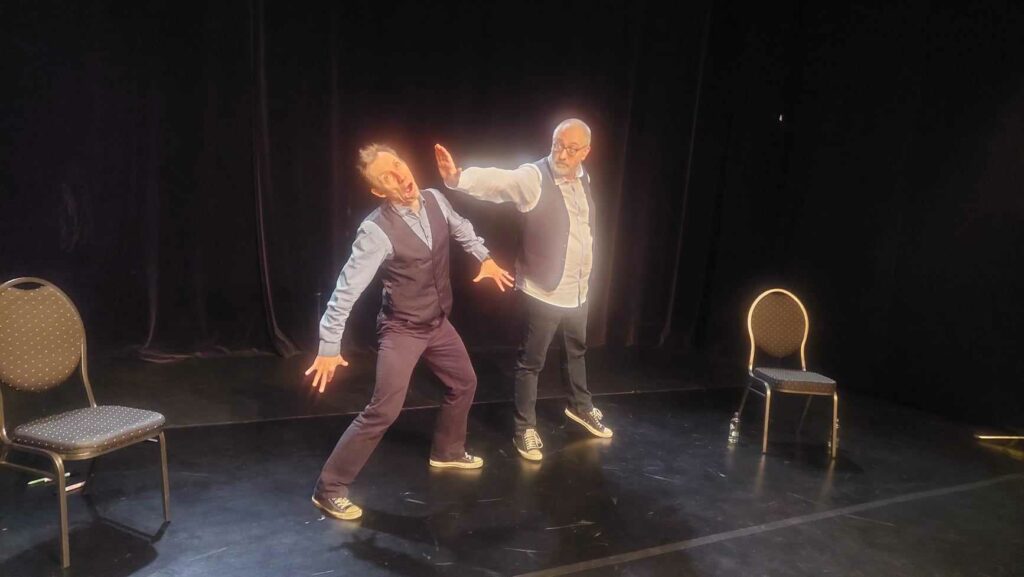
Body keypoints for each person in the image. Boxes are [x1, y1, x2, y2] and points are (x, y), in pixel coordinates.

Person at [305, 143, 514, 520]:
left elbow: (461, 227)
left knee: (464, 382)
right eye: (387, 176)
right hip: (402, 328)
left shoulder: (435, 199)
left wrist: (484, 257)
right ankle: (329, 488)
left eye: (398, 164)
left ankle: (447, 451)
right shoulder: (376, 230)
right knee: (383, 409)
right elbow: (346, 290)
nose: (399, 175)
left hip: (437, 322)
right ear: (378, 190)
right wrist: (329, 344)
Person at [434, 118, 612, 463]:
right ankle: (524, 427)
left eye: (571, 148)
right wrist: (458, 178)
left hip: (578, 288)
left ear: (586, 152)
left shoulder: (583, 177)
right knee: (531, 362)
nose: (562, 154)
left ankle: (580, 406)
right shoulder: (535, 178)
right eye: (557, 145)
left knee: (576, 350)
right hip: (544, 290)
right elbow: (501, 181)